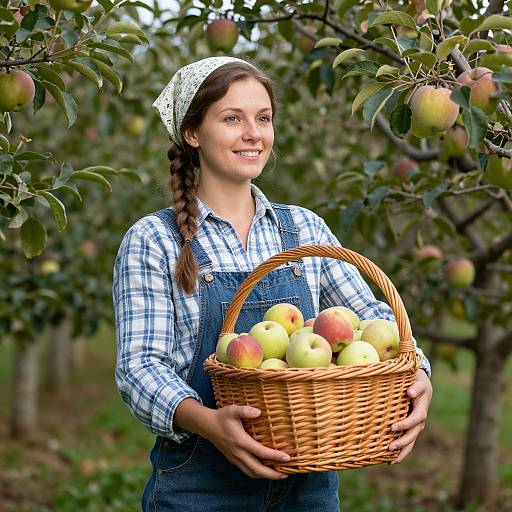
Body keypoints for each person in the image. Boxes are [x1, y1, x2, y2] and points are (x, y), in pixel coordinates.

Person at [112, 56, 433, 512]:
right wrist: (209, 423)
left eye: (263, 119)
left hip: (310, 488)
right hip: (201, 489)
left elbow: (378, 319)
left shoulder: (304, 231)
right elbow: (140, 368)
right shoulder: (154, 240)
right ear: (192, 133)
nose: (253, 133)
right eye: (232, 118)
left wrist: (419, 372)